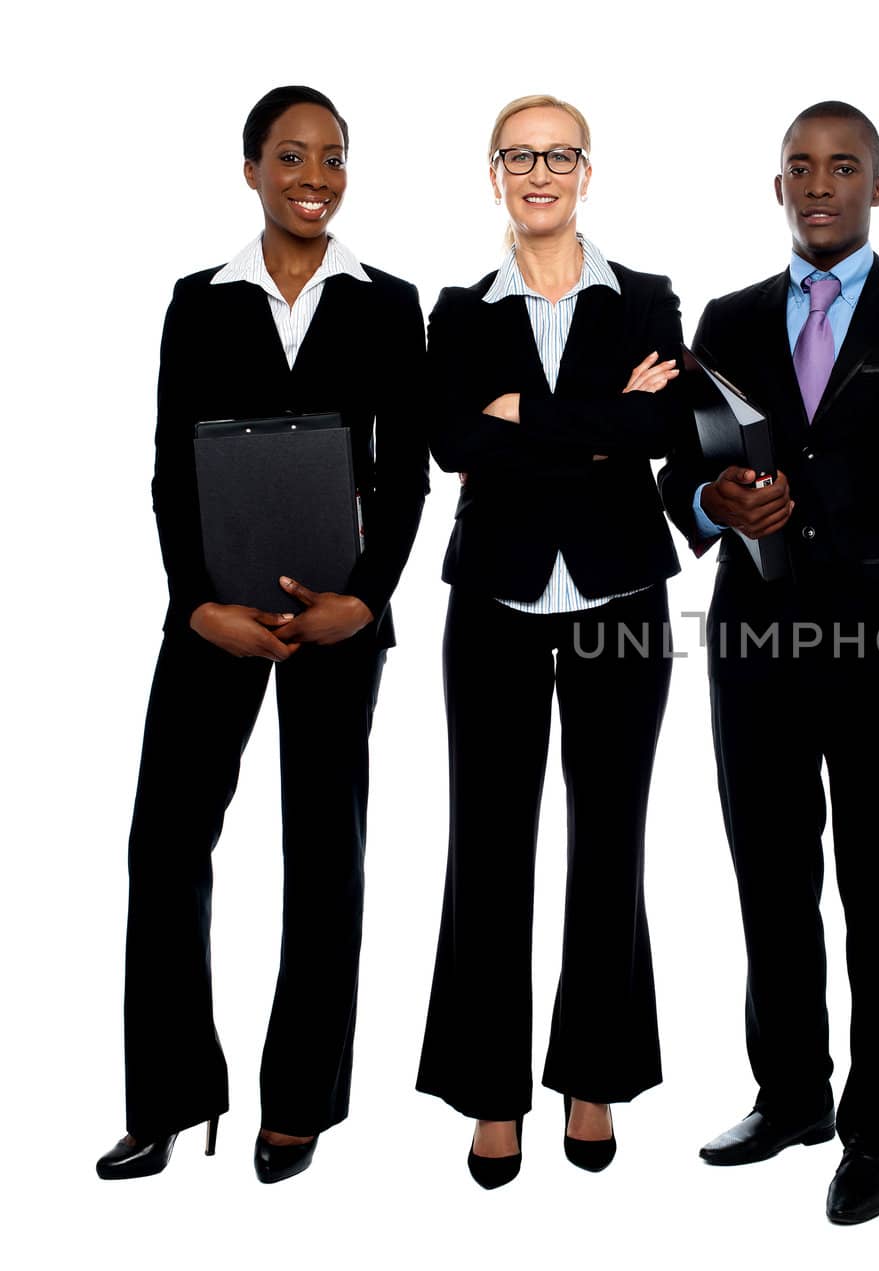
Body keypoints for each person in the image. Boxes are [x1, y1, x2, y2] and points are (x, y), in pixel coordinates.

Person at [658, 101, 879, 1225]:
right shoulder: (726, 319)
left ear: (876, 189)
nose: (821, 183)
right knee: (770, 883)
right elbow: (679, 476)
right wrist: (710, 499)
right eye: (800, 167)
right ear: (777, 189)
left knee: (877, 891)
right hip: (751, 647)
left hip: (873, 650)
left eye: (842, 167)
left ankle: (876, 1128)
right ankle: (792, 1093)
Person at [95, 86, 430, 1184]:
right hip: (214, 615)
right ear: (251, 170)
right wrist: (195, 602)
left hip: (336, 616)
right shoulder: (200, 301)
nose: (316, 176)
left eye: (334, 157)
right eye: (292, 155)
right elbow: (168, 464)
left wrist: (367, 599)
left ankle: (300, 1101)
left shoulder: (387, 304)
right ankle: (169, 1096)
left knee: (323, 856)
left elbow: (405, 473)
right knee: (165, 844)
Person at [414, 94, 683, 1189]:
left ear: (586, 168)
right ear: (493, 174)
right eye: (518, 156)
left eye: (557, 153)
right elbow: (446, 441)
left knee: (609, 841)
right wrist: (598, 426)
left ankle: (592, 1074)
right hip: (494, 601)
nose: (539, 171)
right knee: (489, 845)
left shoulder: (651, 300)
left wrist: (525, 420)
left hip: (621, 595)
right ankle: (490, 1091)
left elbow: (663, 430)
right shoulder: (458, 311)